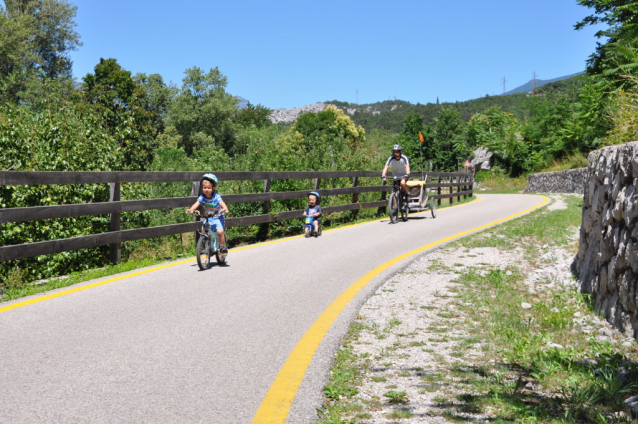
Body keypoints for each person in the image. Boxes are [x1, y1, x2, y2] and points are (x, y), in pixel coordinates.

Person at [186, 173, 229, 252]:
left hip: (218, 217)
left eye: (209, 188)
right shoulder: (202, 197)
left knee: (220, 232)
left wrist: (224, 208)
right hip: (208, 217)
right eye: (204, 187)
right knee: (203, 231)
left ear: (213, 188)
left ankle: (222, 247)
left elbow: (221, 202)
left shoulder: (216, 196)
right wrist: (191, 209)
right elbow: (197, 203)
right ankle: (203, 247)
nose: (206, 189)